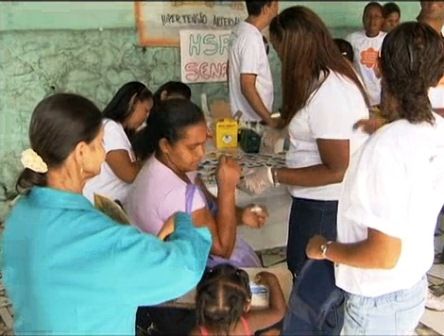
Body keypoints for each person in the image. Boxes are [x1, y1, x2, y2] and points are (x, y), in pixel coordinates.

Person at [2, 93, 212, 335]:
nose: (104, 152)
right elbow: (183, 269)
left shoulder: (21, 215)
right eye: (101, 143)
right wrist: (184, 222)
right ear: (81, 153)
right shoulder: (100, 238)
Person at [306, 22, 444, 335]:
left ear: (378, 65)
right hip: (411, 284)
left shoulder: (384, 150)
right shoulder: (436, 128)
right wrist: (386, 127)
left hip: (379, 299)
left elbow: (382, 254)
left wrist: (324, 249)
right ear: (438, 77)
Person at [126, 99, 267, 267]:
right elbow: (222, 249)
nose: (201, 153)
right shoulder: (176, 193)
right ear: (165, 145)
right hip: (178, 273)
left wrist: (241, 215)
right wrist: (227, 188)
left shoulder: (162, 165)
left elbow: (211, 211)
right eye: (193, 147)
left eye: (203, 143)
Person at [83, 81, 153, 204]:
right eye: (145, 110)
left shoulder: (117, 129)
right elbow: (129, 174)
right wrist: (151, 159)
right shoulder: (111, 128)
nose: (146, 117)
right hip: (98, 205)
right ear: (133, 103)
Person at [191, 264, 286, 336]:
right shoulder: (247, 323)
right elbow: (279, 311)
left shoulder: (197, 333)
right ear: (246, 306)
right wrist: (272, 281)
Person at [228, 1, 279, 127]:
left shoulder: (239, 29)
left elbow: (228, 68)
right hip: (253, 121)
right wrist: (270, 120)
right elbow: (247, 86)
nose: (278, 9)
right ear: (266, 8)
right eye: (276, 4)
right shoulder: (251, 38)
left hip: (242, 116)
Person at [132, 81, 192, 161]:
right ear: (164, 95)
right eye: (175, 102)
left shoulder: (169, 114)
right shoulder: (150, 112)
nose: (177, 107)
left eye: (181, 104)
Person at [346, 2, 386, 107]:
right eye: (368, 16)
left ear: (382, 20)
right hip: (359, 97)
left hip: (382, 99)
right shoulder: (352, 39)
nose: (372, 20)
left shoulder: (388, 40)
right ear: (363, 18)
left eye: (377, 16)